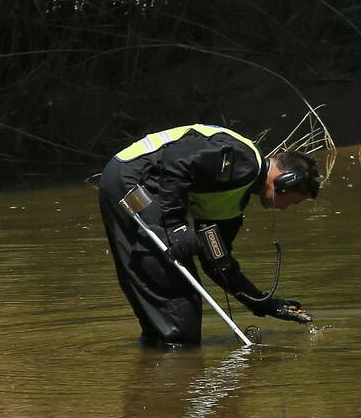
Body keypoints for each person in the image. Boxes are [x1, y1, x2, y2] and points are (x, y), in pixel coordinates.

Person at [98, 123, 320, 346]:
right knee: (178, 306)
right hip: (133, 180)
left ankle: (154, 362)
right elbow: (177, 158)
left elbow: (217, 260)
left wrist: (261, 303)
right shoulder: (243, 159)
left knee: (177, 318)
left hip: (132, 184)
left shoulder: (234, 196)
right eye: (293, 201)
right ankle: (174, 367)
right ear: (285, 181)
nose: (285, 208)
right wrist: (175, 225)